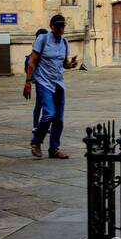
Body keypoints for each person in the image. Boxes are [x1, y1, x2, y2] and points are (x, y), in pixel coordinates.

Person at [23, 13, 78, 158]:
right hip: (43, 82)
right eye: (58, 26)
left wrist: (70, 65)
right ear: (51, 27)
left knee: (59, 119)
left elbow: (63, 63)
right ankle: (36, 142)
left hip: (58, 83)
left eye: (62, 26)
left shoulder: (64, 42)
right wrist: (28, 82)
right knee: (49, 113)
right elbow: (32, 62)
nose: (61, 29)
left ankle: (54, 148)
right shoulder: (43, 39)